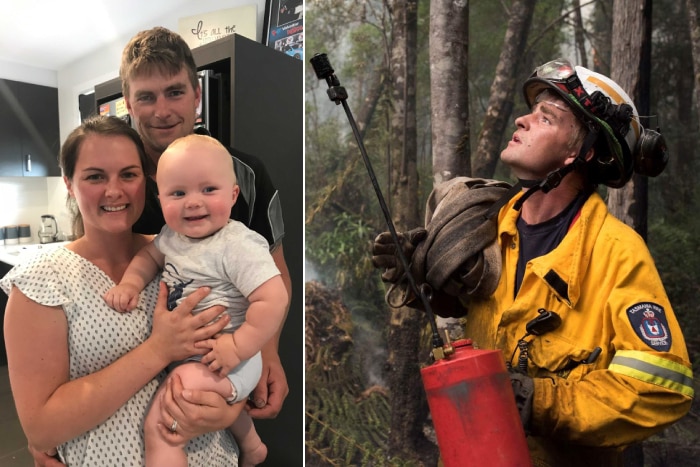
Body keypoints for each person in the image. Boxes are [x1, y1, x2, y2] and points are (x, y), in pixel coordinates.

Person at [372, 59, 694, 466]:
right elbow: (489, 315)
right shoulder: (486, 228)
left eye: (546, 117)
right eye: (531, 111)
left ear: (580, 151)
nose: (522, 120)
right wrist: (428, 286)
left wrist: (537, 400)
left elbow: (663, 388)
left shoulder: (616, 252)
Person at [1, 115, 245, 465]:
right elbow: (41, 428)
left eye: (128, 174)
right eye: (95, 176)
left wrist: (229, 412)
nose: (114, 191)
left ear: (146, 182)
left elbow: (232, 345)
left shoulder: (182, 254)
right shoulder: (43, 280)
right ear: (69, 183)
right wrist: (158, 351)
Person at [121, 26, 292, 420]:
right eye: (147, 97)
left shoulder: (244, 173)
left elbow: (274, 272)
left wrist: (266, 353)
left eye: (175, 92)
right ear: (129, 104)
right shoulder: (116, 181)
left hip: (218, 363)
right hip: (130, 369)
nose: (162, 110)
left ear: (197, 94)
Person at [104, 134, 288, 467]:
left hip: (232, 358)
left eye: (208, 190)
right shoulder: (171, 237)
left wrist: (237, 347)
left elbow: (274, 297)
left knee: (162, 419)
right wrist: (131, 283)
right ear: (160, 201)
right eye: (178, 193)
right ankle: (252, 445)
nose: (193, 201)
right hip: (194, 354)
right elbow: (149, 257)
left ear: (233, 195)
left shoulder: (237, 244)